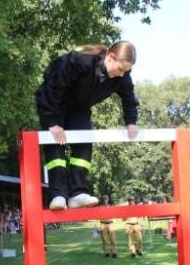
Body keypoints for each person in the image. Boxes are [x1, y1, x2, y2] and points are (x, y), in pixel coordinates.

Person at [35, 42, 140, 210]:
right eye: (120, 69)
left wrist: (131, 122)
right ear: (110, 57)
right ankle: (58, 195)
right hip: (55, 102)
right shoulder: (81, 60)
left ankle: (77, 193)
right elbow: (53, 88)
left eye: (126, 71)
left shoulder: (123, 76)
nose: (122, 74)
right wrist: (52, 122)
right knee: (55, 144)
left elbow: (129, 98)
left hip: (80, 107)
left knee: (84, 142)